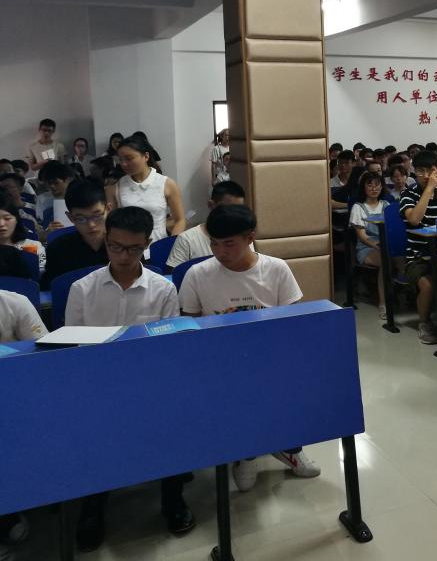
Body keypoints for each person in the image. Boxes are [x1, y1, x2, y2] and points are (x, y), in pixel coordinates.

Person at [64, 207, 191, 549]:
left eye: (133, 249)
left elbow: (167, 348)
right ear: (107, 241)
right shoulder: (82, 289)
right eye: (116, 247)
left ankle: (172, 498)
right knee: (91, 428)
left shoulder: (162, 289)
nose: (123, 256)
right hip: (98, 382)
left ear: (147, 245)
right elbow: (72, 348)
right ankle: (93, 504)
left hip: (149, 381)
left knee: (173, 418)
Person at [178, 204, 319, 491]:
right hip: (220, 359)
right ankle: (247, 453)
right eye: (214, 244)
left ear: (250, 237)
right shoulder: (197, 274)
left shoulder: (276, 269)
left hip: (269, 355)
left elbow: (292, 321)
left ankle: (289, 447)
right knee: (237, 394)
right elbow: (188, 326)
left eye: (229, 244)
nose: (220, 252)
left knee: (289, 385)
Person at [400, 150, 437, 345]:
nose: (425, 176)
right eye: (420, 171)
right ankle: (424, 322)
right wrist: (429, 189)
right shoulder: (408, 195)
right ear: (414, 172)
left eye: (429, 171)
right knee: (428, 285)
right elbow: (414, 220)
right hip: (417, 257)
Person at [106, 134, 185, 243]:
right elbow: (111, 224)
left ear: (146, 156)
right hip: (129, 245)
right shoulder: (116, 187)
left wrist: (170, 244)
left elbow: (180, 220)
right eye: (121, 159)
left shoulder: (166, 184)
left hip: (158, 244)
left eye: (129, 158)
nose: (124, 164)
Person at [166, 181, 246, 270]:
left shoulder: (242, 237)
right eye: (229, 209)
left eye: (239, 210)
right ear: (211, 205)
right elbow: (173, 275)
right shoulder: (187, 239)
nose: (234, 215)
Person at [349, 171, 390, 319]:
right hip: (367, 248)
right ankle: (384, 304)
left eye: (377, 185)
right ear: (363, 188)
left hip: (386, 244)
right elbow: (362, 236)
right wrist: (375, 244)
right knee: (386, 261)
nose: (374, 188)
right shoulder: (358, 207)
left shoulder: (386, 205)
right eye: (370, 185)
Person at [0, 195, 44, 273]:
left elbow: (41, 273)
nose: (1, 224)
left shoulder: (34, 246)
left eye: (7, 218)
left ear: (16, 220)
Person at [36, 160, 77, 230]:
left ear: (68, 180)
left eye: (56, 183)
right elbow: (42, 226)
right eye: (49, 183)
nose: (52, 186)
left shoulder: (79, 198)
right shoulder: (45, 204)